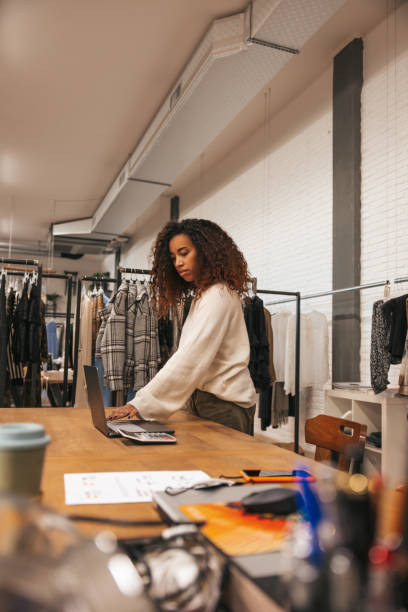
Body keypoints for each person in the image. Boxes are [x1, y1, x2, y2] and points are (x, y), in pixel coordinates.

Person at [109, 218, 256, 434]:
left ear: (206, 251)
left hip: (225, 406)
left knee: (219, 468)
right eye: (173, 257)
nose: (177, 262)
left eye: (184, 253)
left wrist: (139, 404)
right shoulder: (203, 296)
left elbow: (190, 357)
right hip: (206, 401)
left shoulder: (218, 296)